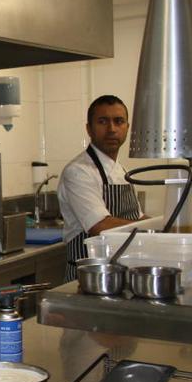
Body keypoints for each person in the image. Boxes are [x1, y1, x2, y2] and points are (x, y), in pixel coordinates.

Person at [57, 95, 146, 281]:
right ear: (89, 128)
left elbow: (138, 218)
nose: (112, 129)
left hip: (121, 275)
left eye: (119, 121)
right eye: (103, 121)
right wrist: (154, 229)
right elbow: (100, 226)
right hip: (88, 280)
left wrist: (170, 227)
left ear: (127, 128)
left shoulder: (122, 171)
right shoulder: (78, 171)